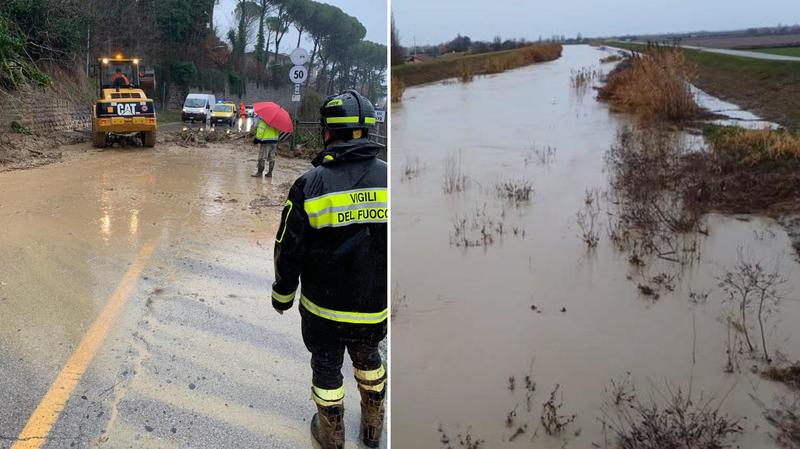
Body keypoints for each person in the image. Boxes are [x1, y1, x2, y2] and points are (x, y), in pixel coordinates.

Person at [271, 90, 387, 449]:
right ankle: (372, 427)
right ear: (369, 132)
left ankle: (331, 435)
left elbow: (289, 247)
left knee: (326, 367)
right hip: (374, 307)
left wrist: (283, 295)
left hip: (324, 310)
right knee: (369, 360)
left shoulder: (311, 183)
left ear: (327, 132)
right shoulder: (392, 180)